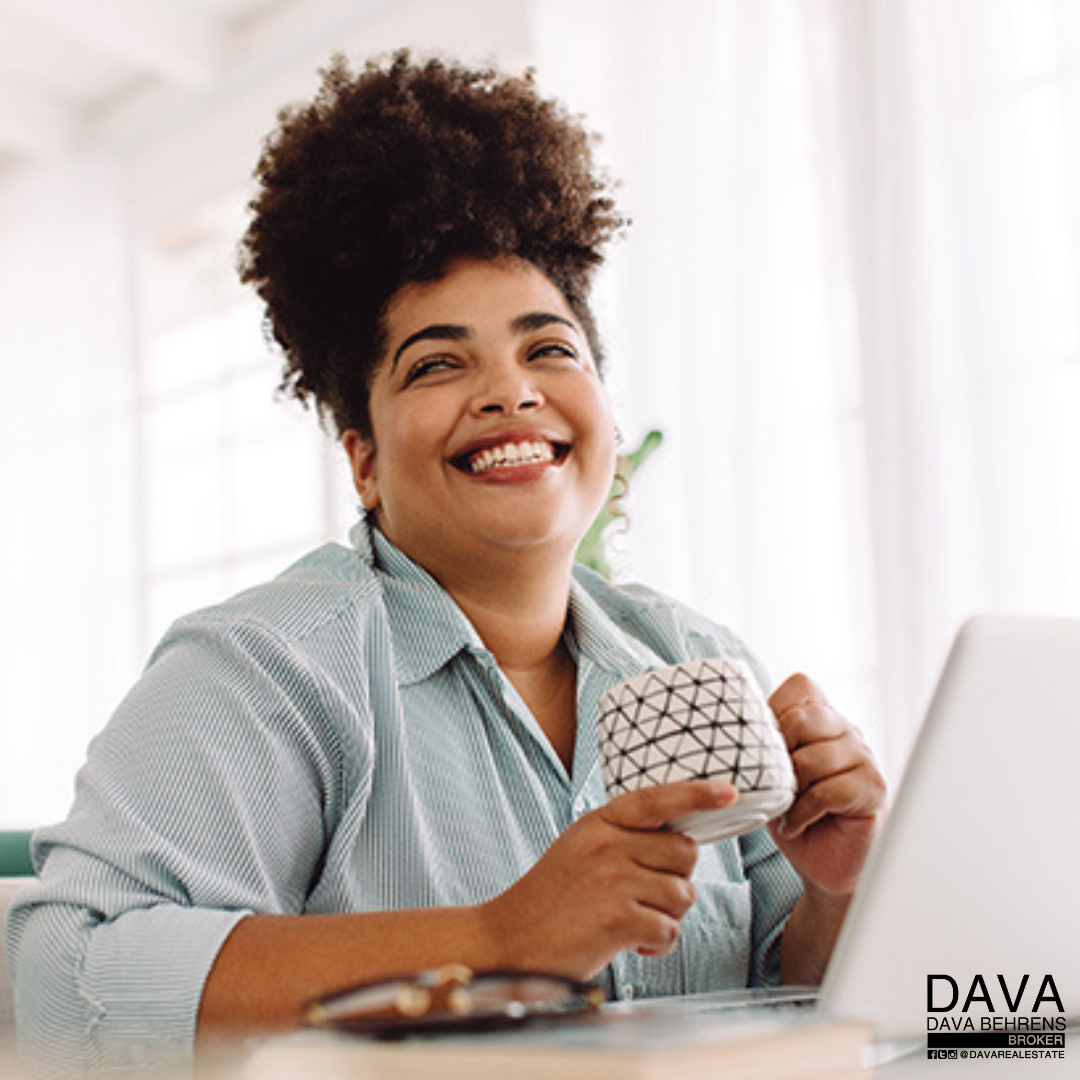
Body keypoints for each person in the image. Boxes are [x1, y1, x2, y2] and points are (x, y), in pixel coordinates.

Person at [4, 50, 886, 1072]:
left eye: (548, 349)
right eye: (437, 362)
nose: (511, 392)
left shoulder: (694, 659)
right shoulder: (262, 669)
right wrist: (493, 942)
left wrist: (841, 889)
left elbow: (799, 992)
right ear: (364, 460)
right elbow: (69, 982)